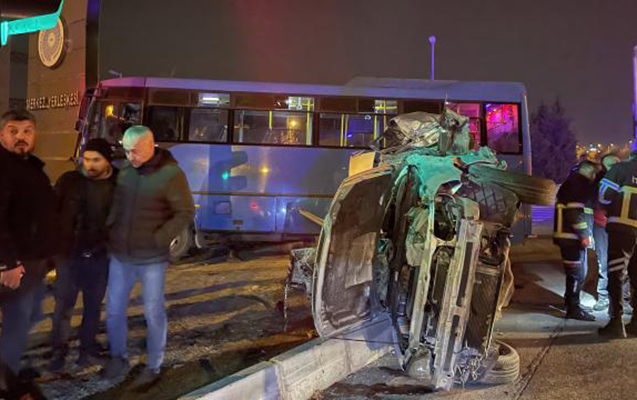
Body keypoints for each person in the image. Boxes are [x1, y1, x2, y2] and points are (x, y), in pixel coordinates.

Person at [102, 125, 194, 386]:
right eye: (127, 151)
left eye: (135, 151)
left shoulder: (171, 174)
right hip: (121, 255)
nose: (130, 156)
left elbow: (185, 212)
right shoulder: (128, 172)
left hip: (151, 258)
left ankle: (153, 365)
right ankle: (118, 357)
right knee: (114, 310)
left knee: (153, 312)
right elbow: (118, 205)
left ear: (151, 146)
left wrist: (160, 238)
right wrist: (111, 228)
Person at [49, 138, 118, 371]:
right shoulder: (70, 181)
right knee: (64, 306)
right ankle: (58, 353)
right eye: (86, 159)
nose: (89, 165)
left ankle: (86, 351)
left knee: (92, 306)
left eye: (96, 160)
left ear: (107, 160)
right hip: (68, 254)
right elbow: (52, 211)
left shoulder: (119, 184)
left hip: (100, 255)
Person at [0, 110, 59, 376]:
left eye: (27, 131)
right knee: (17, 321)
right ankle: (6, 379)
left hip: (34, 262)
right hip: (14, 264)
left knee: (31, 315)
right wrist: (7, 263)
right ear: (2, 134)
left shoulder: (31, 166)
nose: (21, 137)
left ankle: (9, 367)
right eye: (13, 131)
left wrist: (49, 258)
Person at [598, 144, 637, 338]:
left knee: (616, 275)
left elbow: (604, 197)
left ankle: (616, 323)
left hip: (622, 230)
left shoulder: (620, 169)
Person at [553, 161, 597, 321]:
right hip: (571, 238)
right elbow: (574, 211)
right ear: (590, 173)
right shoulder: (578, 184)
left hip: (568, 237)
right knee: (577, 274)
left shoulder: (572, 182)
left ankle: (571, 302)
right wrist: (584, 234)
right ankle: (573, 308)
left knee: (576, 273)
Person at [592, 154, 621, 311]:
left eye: (614, 164)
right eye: (609, 165)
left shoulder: (626, 180)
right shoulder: (598, 182)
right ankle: (603, 297)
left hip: (619, 226)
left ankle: (622, 298)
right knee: (603, 262)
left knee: (621, 263)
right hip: (602, 226)